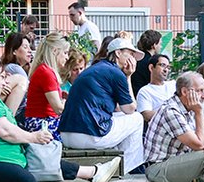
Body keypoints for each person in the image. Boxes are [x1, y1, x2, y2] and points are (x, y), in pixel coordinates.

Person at [59, 35, 148, 169]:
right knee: (137, 118)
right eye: (130, 54)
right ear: (118, 53)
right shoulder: (116, 73)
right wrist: (128, 76)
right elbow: (130, 109)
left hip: (66, 134)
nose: (132, 59)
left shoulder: (94, 69)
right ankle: (126, 170)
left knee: (120, 118)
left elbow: (119, 111)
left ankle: (116, 165)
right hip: (89, 136)